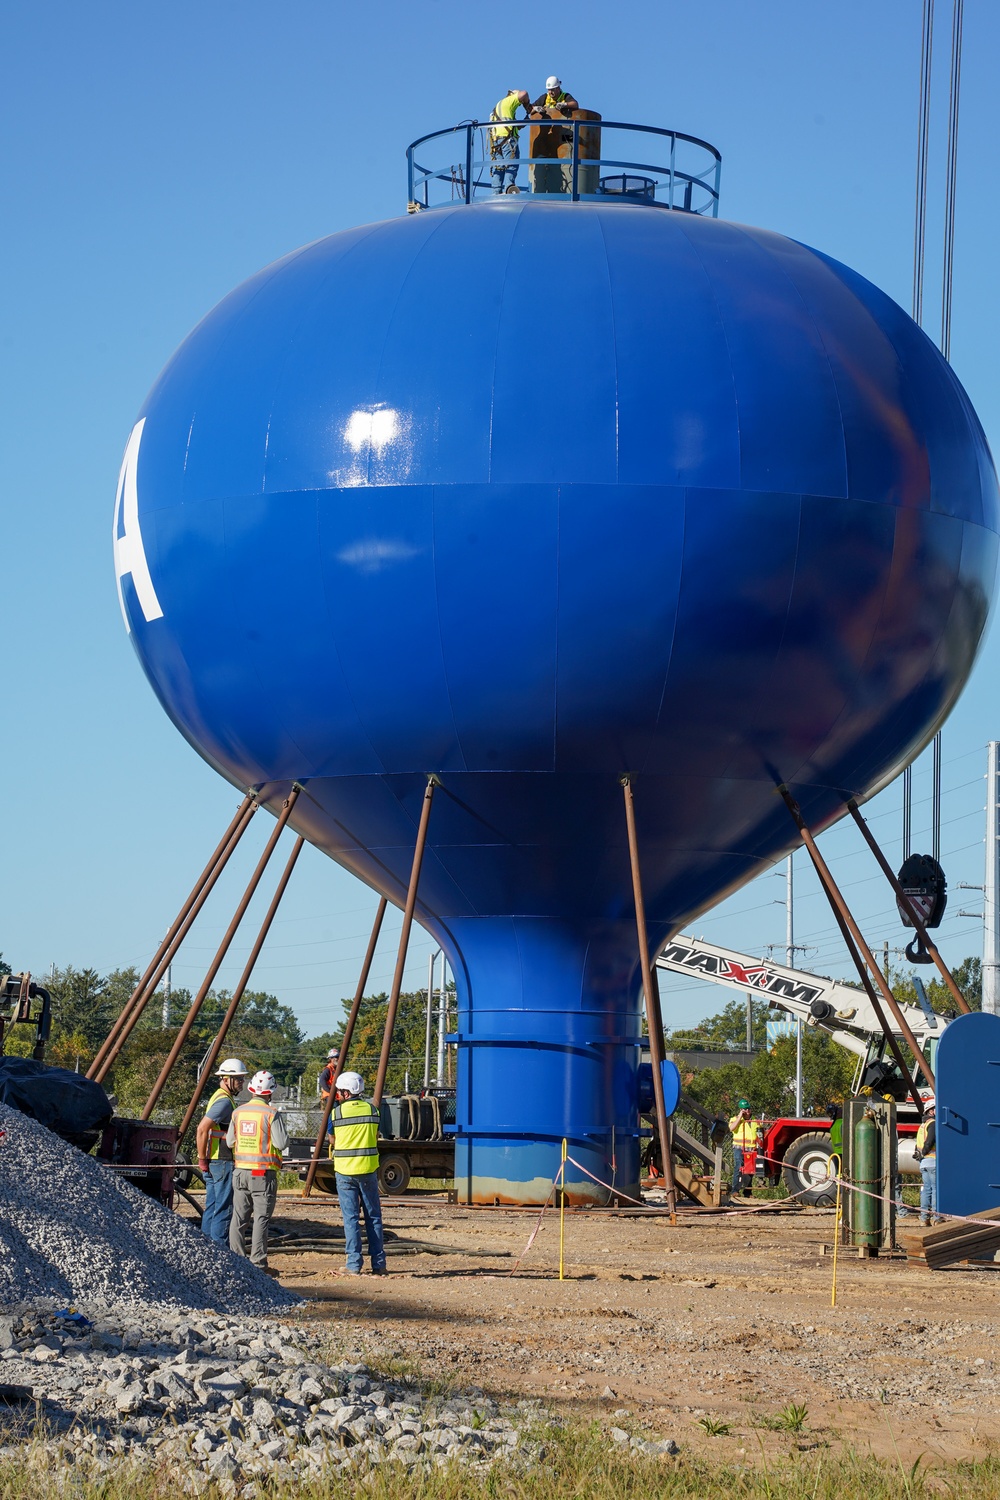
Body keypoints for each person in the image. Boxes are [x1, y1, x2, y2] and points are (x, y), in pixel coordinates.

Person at [227, 1069, 288, 1272]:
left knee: (238, 1218)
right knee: (261, 1219)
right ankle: (258, 1264)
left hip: (240, 1172)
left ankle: (237, 1261)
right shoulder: (272, 1114)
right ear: (270, 1093)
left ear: (252, 1089)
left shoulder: (237, 1112)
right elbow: (281, 1143)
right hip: (262, 1174)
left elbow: (229, 1141)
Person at [327, 1071, 387, 1276]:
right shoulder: (373, 1111)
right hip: (368, 1169)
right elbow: (376, 1134)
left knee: (351, 1218)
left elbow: (332, 1138)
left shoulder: (337, 1113)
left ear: (345, 1093)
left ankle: (353, 1265)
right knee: (374, 1217)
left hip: (344, 1171)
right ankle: (379, 1264)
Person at [195, 1057, 248, 1245]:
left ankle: (207, 1249)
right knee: (224, 1208)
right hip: (222, 1161)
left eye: (242, 1078)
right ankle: (219, 1251)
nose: (242, 1083)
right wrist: (202, 1159)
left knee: (213, 1206)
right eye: (239, 1079)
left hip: (215, 1161)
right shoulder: (224, 1102)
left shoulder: (221, 1098)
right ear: (226, 1079)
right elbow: (202, 1129)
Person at [529, 77, 580, 194]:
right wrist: (536, 109)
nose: (550, 92)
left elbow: (575, 104)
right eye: (549, 90)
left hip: (559, 140)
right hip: (544, 141)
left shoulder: (565, 96)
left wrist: (564, 104)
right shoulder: (544, 98)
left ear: (558, 88)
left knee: (556, 172)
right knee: (540, 172)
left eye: (552, 90)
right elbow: (530, 110)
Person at [489, 89, 530, 195]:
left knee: (499, 167)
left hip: (496, 142)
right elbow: (524, 94)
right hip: (507, 141)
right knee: (511, 164)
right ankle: (509, 188)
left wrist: (522, 124)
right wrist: (527, 105)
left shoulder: (499, 106)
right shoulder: (509, 101)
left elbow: (508, 125)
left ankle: (496, 191)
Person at [915, 1092, 937, 1226]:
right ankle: (936, 1217)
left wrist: (921, 1155)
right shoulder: (933, 1124)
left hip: (923, 1163)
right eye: (935, 1108)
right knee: (935, 1189)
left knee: (926, 1189)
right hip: (932, 1160)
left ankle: (924, 1217)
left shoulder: (922, 1126)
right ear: (931, 1111)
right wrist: (924, 1152)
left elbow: (917, 1144)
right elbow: (930, 1141)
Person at [728, 1098, 756, 1193]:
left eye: (748, 1109)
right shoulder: (735, 1119)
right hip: (739, 1148)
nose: (747, 1111)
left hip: (751, 1148)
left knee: (749, 1170)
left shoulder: (755, 1121)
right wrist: (740, 1117)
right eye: (744, 1109)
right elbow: (731, 1128)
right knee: (739, 1167)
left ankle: (747, 1192)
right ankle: (735, 1190)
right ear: (741, 1110)